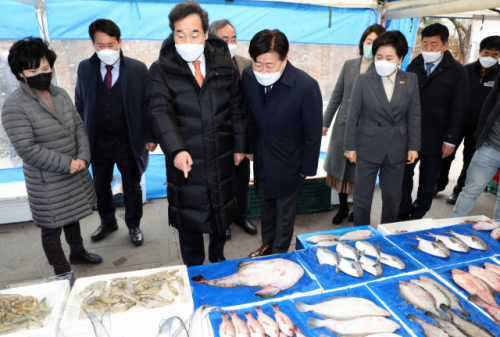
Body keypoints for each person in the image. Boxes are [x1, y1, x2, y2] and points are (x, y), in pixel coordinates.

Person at [147, 1, 247, 266]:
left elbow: (236, 109)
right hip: (186, 159)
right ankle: (192, 269)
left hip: (221, 155)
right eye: (180, 34)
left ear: (205, 34)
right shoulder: (161, 70)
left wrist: (239, 146)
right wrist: (176, 149)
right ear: (172, 35)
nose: (187, 40)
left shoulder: (225, 66)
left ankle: (217, 258)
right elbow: (159, 112)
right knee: (188, 217)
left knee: (220, 213)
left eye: (193, 34)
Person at [2, 37, 102, 275]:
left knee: (72, 214)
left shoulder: (60, 94)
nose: (42, 74)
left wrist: (83, 157)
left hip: (74, 169)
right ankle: (62, 271)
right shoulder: (14, 106)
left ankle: (77, 252)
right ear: (20, 73)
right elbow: (26, 149)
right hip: (47, 178)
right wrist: (68, 163)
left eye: (46, 68)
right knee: (51, 227)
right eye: (33, 70)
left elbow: (79, 126)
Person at [75, 19, 156, 247]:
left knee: (132, 184)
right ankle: (108, 221)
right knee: (100, 184)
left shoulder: (138, 69)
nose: (106, 50)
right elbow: (80, 102)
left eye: (111, 44)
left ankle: (133, 225)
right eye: (101, 45)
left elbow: (147, 106)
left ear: (120, 42)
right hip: (98, 139)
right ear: (93, 44)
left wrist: (150, 136)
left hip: (128, 138)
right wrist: (80, 137)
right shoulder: (85, 67)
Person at [243, 29, 323, 257]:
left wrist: (306, 168)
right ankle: (267, 245)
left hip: (290, 161)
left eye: (270, 65)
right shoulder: (249, 76)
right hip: (262, 157)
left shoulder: (305, 86)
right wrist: (249, 149)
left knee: (284, 215)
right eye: (258, 64)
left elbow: (313, 132)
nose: (263, 71)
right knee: (267, 208)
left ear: (285, 59)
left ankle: (279, 255)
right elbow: (249, 115)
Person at [344, 31, 421, 226]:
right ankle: (361, 234)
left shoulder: (410, 80)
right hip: (367, 145)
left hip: (397, 146)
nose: (383, 61)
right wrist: (349, 147)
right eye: (379, 57)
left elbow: (414, 115)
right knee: (362, 199)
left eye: (389, 57)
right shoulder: (363, 80)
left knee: (392, 198)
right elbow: (352, 115)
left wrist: (414, 146)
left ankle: (387, 234)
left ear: (400, 59)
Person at [398, 23, 467, 221]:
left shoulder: (456, 71)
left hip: (437, 136)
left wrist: (451, 139)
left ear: (445, 45)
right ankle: (402, 210)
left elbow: (459, 108)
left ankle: (418, 213)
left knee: (428, 180)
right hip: (410, 134)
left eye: (434, 45)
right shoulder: (414, 66)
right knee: (403, 175)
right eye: (425, 44)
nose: (428, 49)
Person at [323, 24, 386, 225]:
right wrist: (325, 122)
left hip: (366, 131)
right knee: (340, 170)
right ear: (363, 43)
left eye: (375, 43)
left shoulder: (383, 70)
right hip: (343, 127)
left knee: (360, 174)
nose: (371, 46)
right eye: (368, 42)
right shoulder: (349, 64)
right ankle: (342, 208)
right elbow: (336, 96)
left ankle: (357, 209)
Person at [436, 36, 500, 204]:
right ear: (480, 51)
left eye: (495, 54)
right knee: (445, 155)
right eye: (487, 52)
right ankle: (438, 183)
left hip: (480, 127)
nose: (490, 57)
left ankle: (458, 191)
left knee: (470, 160)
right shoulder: (464, 70)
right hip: (457, 122)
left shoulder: (499, 76)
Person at [209, 19, 257, 241]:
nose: (230, 43)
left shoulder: (246, 64)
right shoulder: (205, 65)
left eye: (233, 38)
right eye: (224, 39)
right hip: (216, 136)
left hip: (242, 133)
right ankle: (223, 220)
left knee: (241, 179)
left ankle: (241, 215)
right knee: (220, 183)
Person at [452, 70, 500, 219]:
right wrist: (481, 131)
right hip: (490, 144)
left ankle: (497, 234)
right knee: (470, 191)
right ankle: (452, 228)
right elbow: (491, 99)